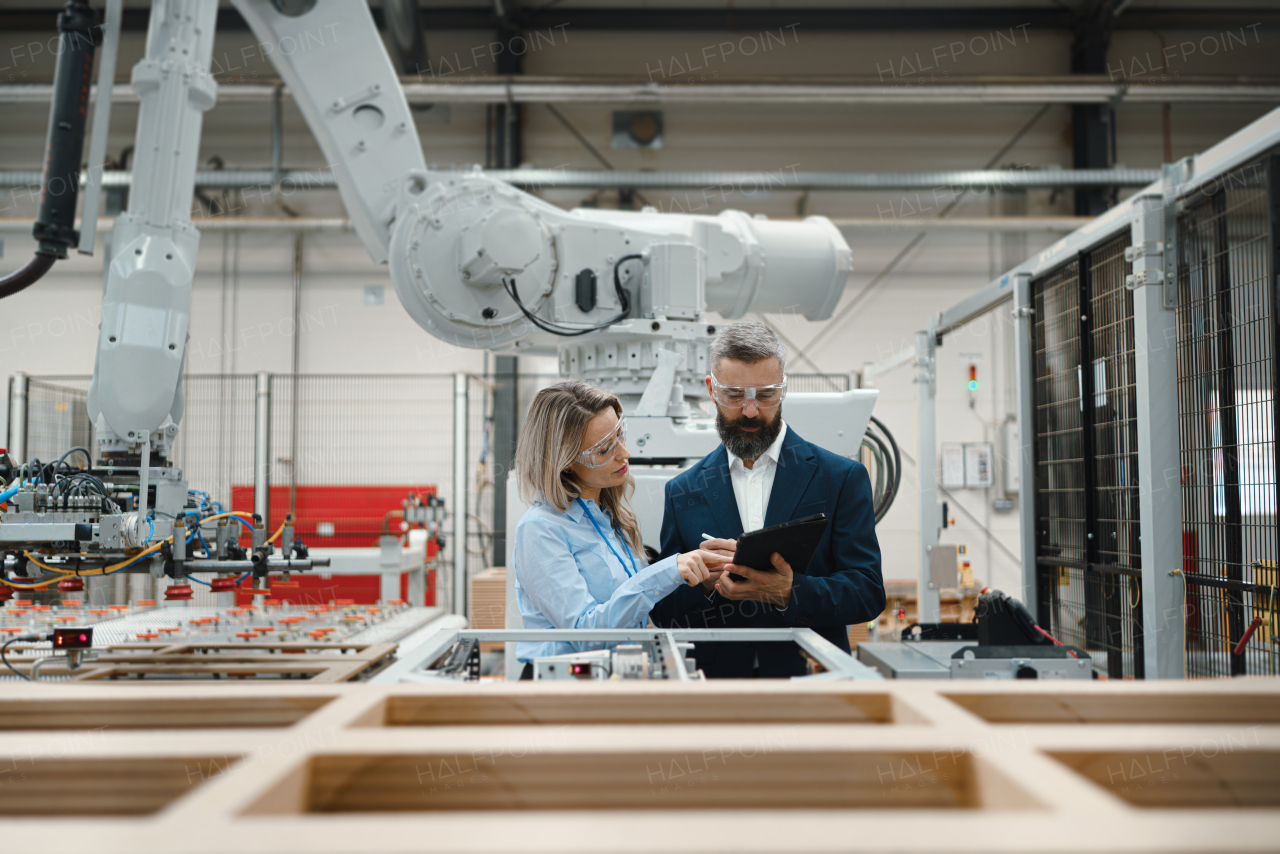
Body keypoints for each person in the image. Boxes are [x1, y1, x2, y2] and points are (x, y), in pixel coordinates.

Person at [650, 321, 885, 678]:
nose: (749, 410)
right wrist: (704, 584)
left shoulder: (840, 479)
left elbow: (867, 592)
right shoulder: (683, 490)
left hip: (813, 685)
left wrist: (792, 591)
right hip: (720, 690)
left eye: (765, 395)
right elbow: (667, 611)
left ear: (784, 390)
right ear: (711, 389)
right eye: (734, 395)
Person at [511, 381, 730, 678]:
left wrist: (701, 575)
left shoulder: (610, 516)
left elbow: (633, 608)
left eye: (620, 435)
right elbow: (586, 633)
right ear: (564, 464)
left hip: (609, 678)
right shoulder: (539, 530)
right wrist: (667, 571)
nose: (624, 453)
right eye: (604, 449)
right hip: (561, 688)